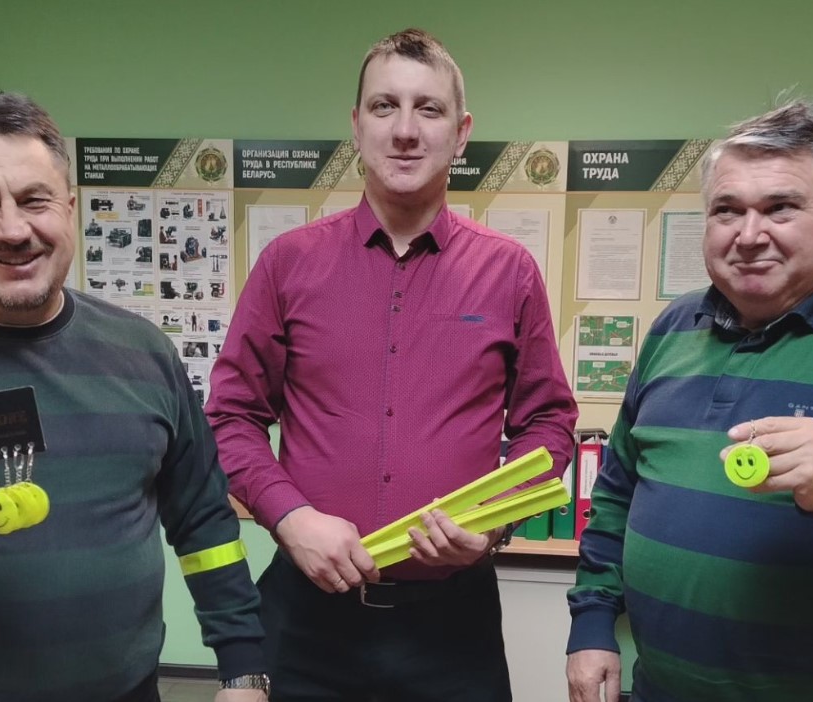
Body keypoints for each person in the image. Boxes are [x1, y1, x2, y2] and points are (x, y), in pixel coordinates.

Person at [206, 28, 577, 702]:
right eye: (385, 106)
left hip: (453, 630)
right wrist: (289, 517)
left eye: (428, 109)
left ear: (461, 133)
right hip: (308, 621)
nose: (405, 130)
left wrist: (493, 522)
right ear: (356, 125)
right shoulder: (288, 264)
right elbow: (230, 417)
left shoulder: (509, 272)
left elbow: (548, 423)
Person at [566, 100, 813, 702]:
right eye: (727, 210)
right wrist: (593, 623)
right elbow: (617, 493)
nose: (749, 235)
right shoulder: (673, 329)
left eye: (780, 207)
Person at [0, 91, 269, 702]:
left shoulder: (144, 352)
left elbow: (203, 520)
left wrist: (244, 672)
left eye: (34, 200)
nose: (14, 229)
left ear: (68, 208)